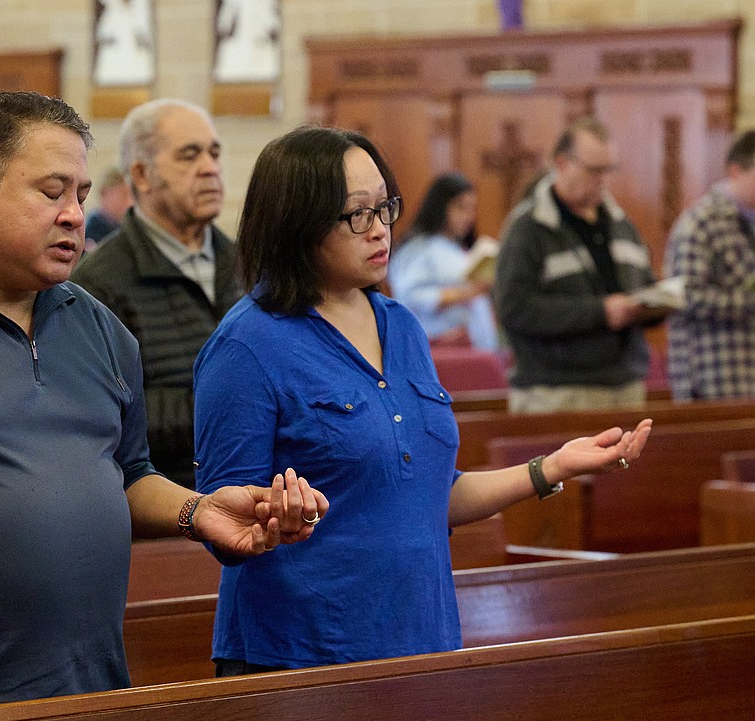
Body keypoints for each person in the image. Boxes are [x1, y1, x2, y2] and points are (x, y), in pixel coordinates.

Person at [0, 89, 327, 717]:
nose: (75, 215)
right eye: (51, 192)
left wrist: (199, 511)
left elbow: (129, 475)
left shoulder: (102, 331)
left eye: (81, 195)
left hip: (93, 693)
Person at [192, 124, 653, 675]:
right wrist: (275, 518)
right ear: (297, 223)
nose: (380, 229)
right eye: (356, 214)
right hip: (301, 655)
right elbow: (223, 523)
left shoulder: (402, 327)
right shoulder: (247, 345)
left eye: (385, 206)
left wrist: (551, 467)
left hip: (420, 640)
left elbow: (431, 495)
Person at [71, 99, 241, 488]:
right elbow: (105, 420)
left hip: (260, 495)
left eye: (214, 153)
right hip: (168, 504)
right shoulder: (98, 286)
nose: (210, 168)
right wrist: (236, 405)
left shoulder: (249, 267)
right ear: (142, 175)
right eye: (189, 155)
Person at [493, 117, 666, 413]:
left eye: (610, 170)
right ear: (562, 163)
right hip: (557, 392)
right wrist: (601, 312)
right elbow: (514, 310)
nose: (604, 180)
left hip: (625, 385)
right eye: (595, 170)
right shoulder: (528, 227)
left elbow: (642, 285)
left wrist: (656, 303)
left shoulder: (621, 224)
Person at [665, 130, 755, 401]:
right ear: (736, 171)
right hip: (714, 382)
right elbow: (685, 297)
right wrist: (748, 301)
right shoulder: (700, 223)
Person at [388, 172, 500, 352]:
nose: (468, 216)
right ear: (440, 206)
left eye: (472, 208)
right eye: (460, 207)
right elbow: (409, 296)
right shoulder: (418, 249)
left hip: (473, 345)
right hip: (440, 347)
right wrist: (464, 293)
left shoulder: (457, 249)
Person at [84, 166, 132, 249]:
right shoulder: (88, 236)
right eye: (123, 195)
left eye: (132, 196)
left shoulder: (128, 231)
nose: (130, 202)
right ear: (104, 193)